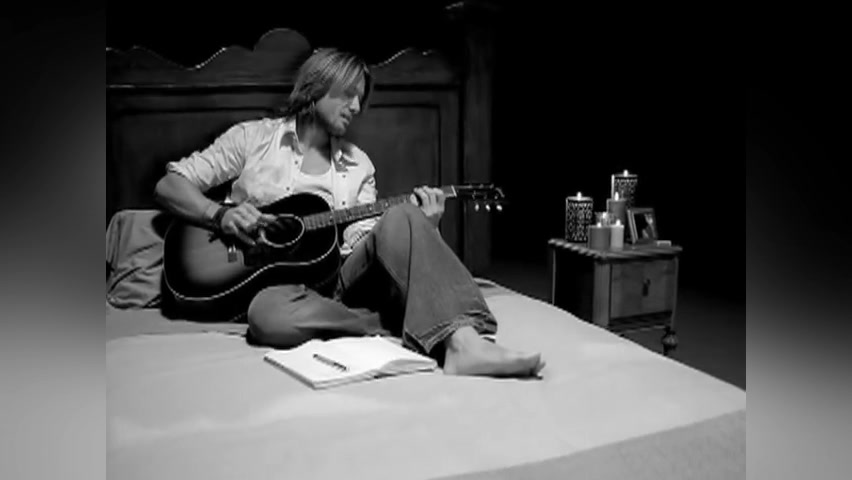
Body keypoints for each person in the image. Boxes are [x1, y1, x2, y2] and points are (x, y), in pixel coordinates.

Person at [154, 47, 544, 378]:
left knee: (402, 216)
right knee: (267, 318)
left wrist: (421, 229)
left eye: (361, 99)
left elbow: (365, 241)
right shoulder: (252, 139)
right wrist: (219, 215)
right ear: (316, 86)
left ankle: (463, 343)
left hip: (338, 282)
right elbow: (169, 185)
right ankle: (393, 321)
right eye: (348, 95)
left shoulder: (359, 166)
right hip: (275, 290)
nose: (356, 107)